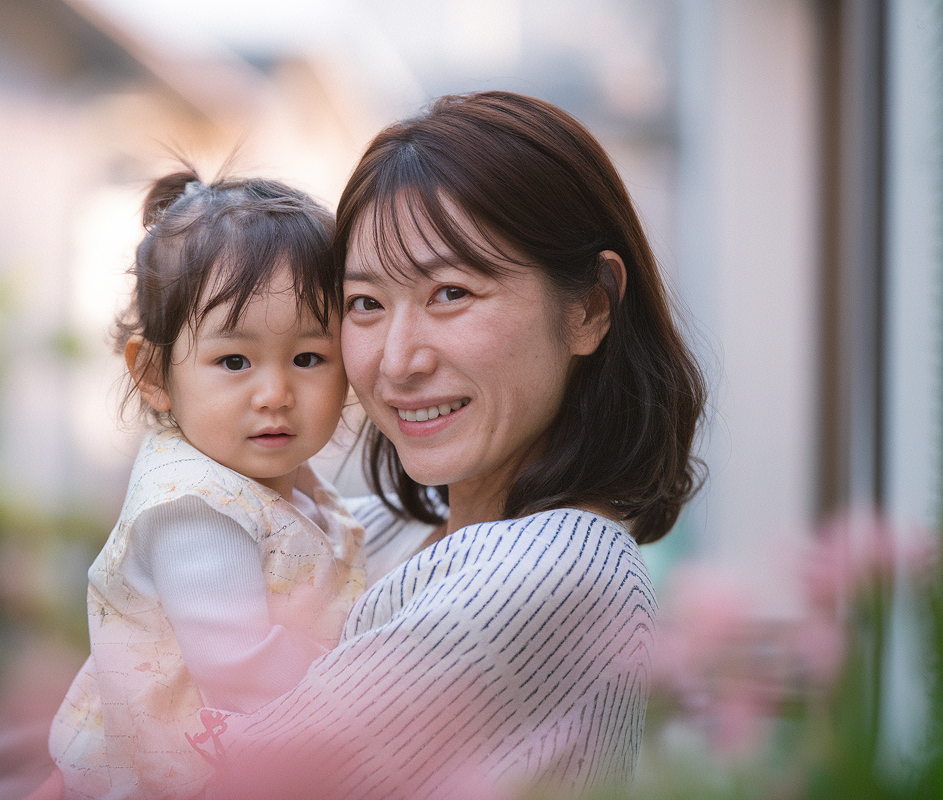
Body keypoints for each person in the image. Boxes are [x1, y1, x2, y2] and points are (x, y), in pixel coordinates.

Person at [192, 91, 706, 799]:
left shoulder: (563, 566)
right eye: (365, 303)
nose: (398, 361)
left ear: (589, 307)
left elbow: (225, 780)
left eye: (452, 293)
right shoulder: (374, 529)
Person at [37, 171, 366, 800]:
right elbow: (244, 675)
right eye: (234, 361)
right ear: (155, 374)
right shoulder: (194, 511)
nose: (275, 394)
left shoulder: (267, 479)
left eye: (308, 358)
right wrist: (369, 695)